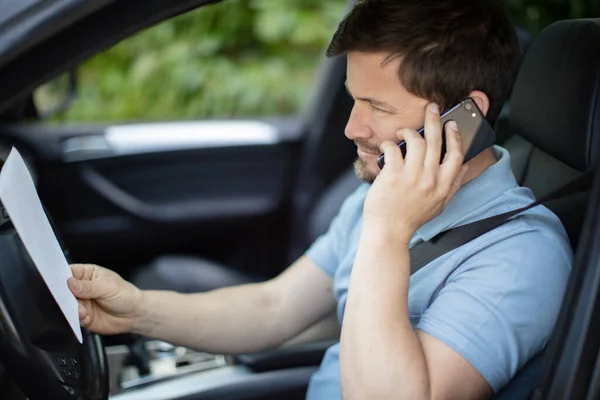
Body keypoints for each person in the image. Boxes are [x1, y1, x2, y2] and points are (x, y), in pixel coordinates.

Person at [67, 0, 572, 399]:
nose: (352, 127)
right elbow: (273, 307)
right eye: (355, 99)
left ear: (465, 116)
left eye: (377, 106)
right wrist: (136, 311)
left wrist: (387, 233)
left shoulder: (522, 256)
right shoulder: (383, 196)